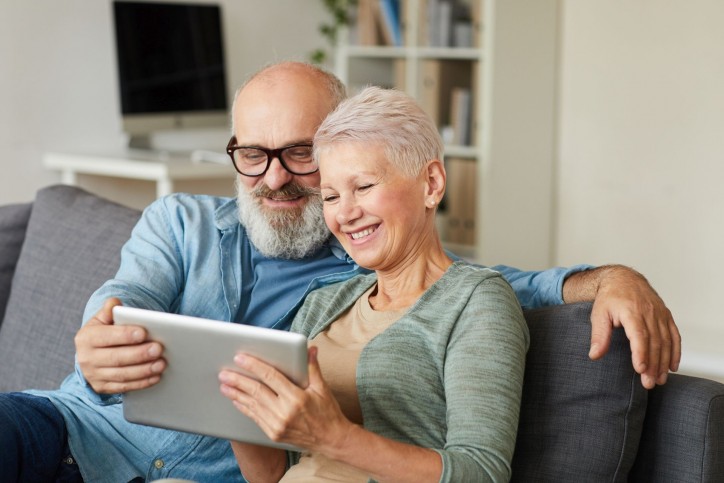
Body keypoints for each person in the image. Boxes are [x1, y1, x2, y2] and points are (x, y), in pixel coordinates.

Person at [0, 62, 679, 482]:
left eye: (300, 153)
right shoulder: (184, 224)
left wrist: (611, 277)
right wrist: (102, 330)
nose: (274, 179)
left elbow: (492, 285)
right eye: (253, 154)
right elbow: (129, 295)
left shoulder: (368, 268)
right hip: (75, 429)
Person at [220, 85, 529, 482]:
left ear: (431, 183)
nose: (345, 214)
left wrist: (337, 437)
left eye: (363, 187)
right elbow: (275, 474)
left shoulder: (477, 301)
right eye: (330, 196)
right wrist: (233, 412)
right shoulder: (325, 302)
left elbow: (482, 473)